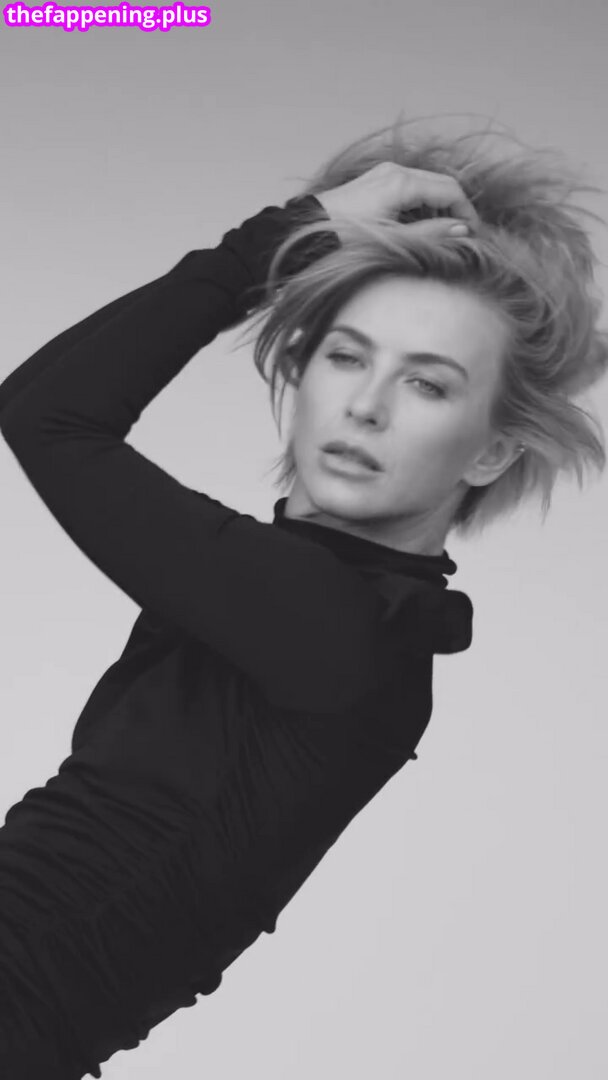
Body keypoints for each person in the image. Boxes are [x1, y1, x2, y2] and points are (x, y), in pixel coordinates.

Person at [0, 115, 605, 1078]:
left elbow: (49, 416)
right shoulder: (325, 604)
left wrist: (281, 237)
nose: (366, 405)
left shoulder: (343, 624)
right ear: (299, 368)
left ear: (491, 452)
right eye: (348, 356)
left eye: (429, 385)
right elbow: (37, 402)